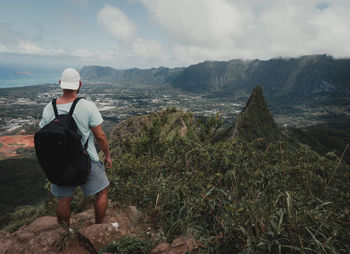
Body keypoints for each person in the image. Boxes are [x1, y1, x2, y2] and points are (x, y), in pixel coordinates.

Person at [39, 67, 112, 226]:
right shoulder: (87, 106)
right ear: (79, 84)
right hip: (86, 159)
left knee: (64, 199)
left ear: (60, 84)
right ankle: (98, 227)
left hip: (60, 162)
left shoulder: (49, 108)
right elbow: (100, 136)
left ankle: (66, 233)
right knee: (101, 192)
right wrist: (107, 155)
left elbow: (43, 135)